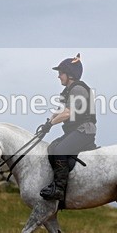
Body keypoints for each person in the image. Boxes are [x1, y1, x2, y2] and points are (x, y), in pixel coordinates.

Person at [39, 54, 97, 201]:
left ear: (70, 74)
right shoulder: (70, 90)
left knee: (59, 150)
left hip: (84, 131)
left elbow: (67, 113)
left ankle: (59, 189)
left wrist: (52, 124)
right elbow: (60, 111)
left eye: (61, 73)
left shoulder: (78, 89)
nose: (59, 76)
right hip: (75, 131)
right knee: (53, 148)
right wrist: (48, 122)